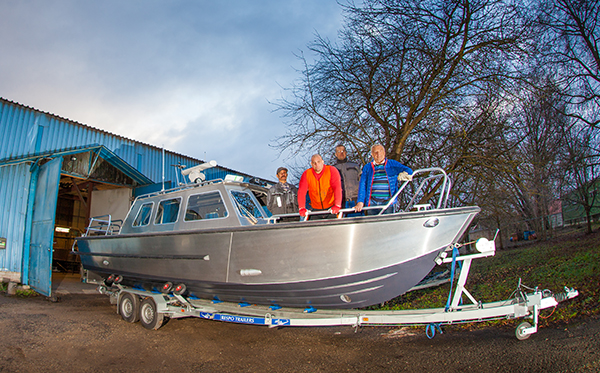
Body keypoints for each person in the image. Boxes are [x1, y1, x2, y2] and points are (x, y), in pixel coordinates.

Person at [355, 144, 413, 215]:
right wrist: (360, 202)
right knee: (373, 224)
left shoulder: (392, 164)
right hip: (373, 203)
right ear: (372, 154)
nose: (378, 154)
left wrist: (405, 173)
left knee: (387, 224)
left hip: (387, 203)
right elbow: (363, 185)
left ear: (384, 152)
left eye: (381, 151)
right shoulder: (368, 167)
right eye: (376, 152)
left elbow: (409, 170)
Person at [297, 154, 343, 219]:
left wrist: (337, 205)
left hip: (331, 208)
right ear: (311, 164)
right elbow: (301, 192)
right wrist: (301, 208)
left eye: (318, 162)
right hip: (315, 209)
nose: (317, 165)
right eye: (314, 163)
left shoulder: (331, 170)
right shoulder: (306, 174)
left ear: (322, 162)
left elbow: (337, 188)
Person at [333, 144, 361, 209]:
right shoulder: (332, 169)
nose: (341, 153)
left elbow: (362, 182)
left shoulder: (355, 166)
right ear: (336, 154)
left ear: (346, 153)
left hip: (355, 200)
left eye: (343, 151)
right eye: (339, 152)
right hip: (341, 202)